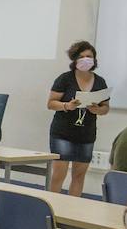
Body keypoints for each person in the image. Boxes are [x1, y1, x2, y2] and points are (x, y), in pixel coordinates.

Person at [47, 40, 110, 197]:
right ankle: (52, 207)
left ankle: (72, 210)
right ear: (75, 59)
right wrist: (67, 106)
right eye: (81, 56)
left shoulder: (100, 81)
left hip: (86, 134)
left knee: (79, 176)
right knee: (58, 175)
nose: (85, 59)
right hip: (63, 133)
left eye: (89, 56)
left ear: (94, 59)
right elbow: (51, 103)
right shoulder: (65, 79)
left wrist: (97, 109)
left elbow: (105, 108)